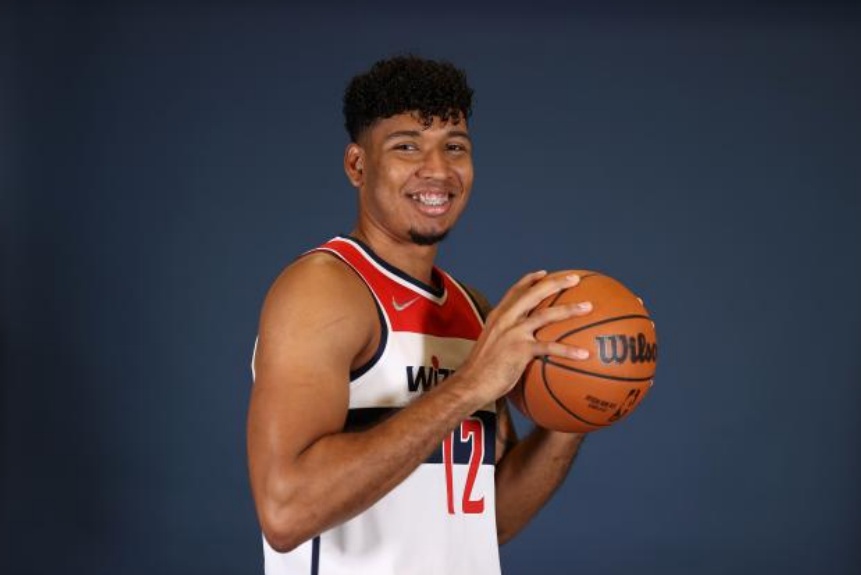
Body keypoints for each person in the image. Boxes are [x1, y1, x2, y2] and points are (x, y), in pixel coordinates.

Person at [246, 55, 594, 575]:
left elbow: (489, 519)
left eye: (454, 147)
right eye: (407, 146)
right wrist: (469, 386)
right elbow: (286, 511)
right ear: (357, 165)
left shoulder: (473, 311)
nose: (438, 170)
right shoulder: (323, 291)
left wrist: (576, 410)